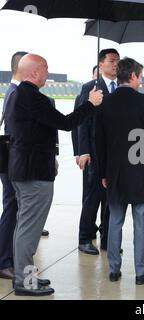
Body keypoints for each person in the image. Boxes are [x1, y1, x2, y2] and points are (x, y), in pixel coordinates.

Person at [6, 53, 103, 296]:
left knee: (25, 228)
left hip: (25, 170)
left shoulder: (20, 95)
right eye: (46, 69)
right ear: (34, 72)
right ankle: (24, 282)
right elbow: (66, 122)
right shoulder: (30, 97)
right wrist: (90, 103)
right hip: (33, 174)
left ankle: (25, 277)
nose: (48, 73)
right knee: (29, 230)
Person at [95, 57, 144, 285]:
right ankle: (141, 272)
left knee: (115, 221)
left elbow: (98, 143)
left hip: (113, 172)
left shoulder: (104, 103)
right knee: (141, 223)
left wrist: (103, 172)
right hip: (139, 172)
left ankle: (114, 269)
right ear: (132, 76)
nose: (140, 80)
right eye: (140, 76)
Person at [0, 52, 49, 281]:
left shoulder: (16, 92)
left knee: (20, 217)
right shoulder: (19, 93)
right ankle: (8, 264)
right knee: (17, 216)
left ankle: (16, 267)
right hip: (20, 167)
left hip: (17, 165)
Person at [77, 49, 120, 255]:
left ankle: (107, 239)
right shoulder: (90, 88)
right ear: (101, 64)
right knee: (93, 197)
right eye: (112, 61)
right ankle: (85, 238)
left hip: (115, 154)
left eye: (118, 62)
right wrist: (82, 151)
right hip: (94, 153)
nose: (115, 65)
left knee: (112, 198)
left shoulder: (121, 88)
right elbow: (81, 122)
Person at [72, 65, 99, 166]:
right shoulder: (81, 97)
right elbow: (76, 126)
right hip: (87, 150)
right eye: (97, 75)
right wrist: (78, 151)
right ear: (92, 76)